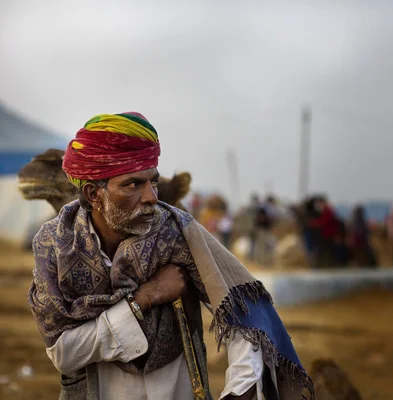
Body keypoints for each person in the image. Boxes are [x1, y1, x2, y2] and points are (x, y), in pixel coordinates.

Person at [27, 112, 313, 400]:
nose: (152, 196)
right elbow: (64, 353)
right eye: (133, 184)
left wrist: (240, 387)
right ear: (93, 194)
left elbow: (246, 312)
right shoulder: (54, 246)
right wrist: (143, 299)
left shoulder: (178, 232)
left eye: (152, 181)